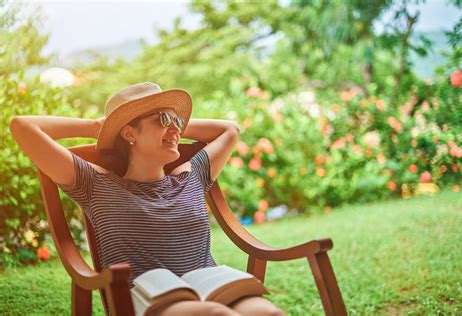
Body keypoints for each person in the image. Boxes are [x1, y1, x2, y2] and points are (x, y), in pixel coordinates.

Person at [10, 82, 286, 316]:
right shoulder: (95, 184)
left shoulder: (190, 175)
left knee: (269, 314)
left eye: (178, 121)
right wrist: (98, 127)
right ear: (129, 133)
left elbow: (230, 130)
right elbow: (22, 126)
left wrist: (171, 126)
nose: (176, 129)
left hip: (211, 283)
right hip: (145, 295)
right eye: (163, 120)